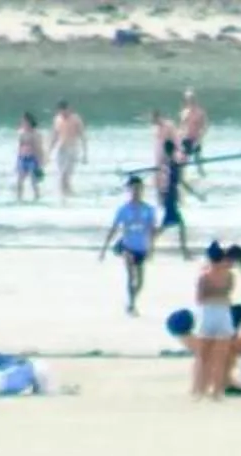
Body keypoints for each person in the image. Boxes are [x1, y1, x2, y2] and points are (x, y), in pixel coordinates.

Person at [100, 177, 158, 314]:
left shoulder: (148, 209)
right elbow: (114, 228)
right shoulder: (124, 209)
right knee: (131, 277)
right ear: (129, 190)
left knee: (141, 282)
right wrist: (104, 249)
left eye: (139, 189)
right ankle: (132, 305)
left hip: (141, 248)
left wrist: (151, 248)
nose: (136, 192)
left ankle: (131, 301)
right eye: (133, 189)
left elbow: (151, 230)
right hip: (128, 246)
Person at [190, 241, 237, 399]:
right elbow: (229, 293)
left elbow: (199, 299)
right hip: (223, 312)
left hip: (208, 313)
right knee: (220, 357)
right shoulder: (229, 275)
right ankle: (216, 391)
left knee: (202, 356)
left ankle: (199, 389)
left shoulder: (204, 276)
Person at [52, 101, 87, 198]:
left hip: (72, 149)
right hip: (61, 149)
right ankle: (66, 195)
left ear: (68, 109)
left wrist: (85, 154)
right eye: (61, 111)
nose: (63, 113)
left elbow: (82, 136)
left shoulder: (76, 119)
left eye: (64, 110)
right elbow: (55, 135)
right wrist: (49, 151)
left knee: (65, 175)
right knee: (61, 175)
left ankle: (66, 195)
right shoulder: (57, 119)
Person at [13, 113, 46, 203]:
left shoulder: (36, 134)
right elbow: (20, 146)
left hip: (33, 159)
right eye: (22, 121)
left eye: (25, 121)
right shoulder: (21, 133)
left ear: (29, 122)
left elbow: (39, 148)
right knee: (19, 180)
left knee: (33, 181)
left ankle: (37, 198)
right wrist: (18, 159)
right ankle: (19, 198)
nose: (23, 123)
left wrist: (40, 162)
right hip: (23, 158)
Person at [178, 89, 210, 177]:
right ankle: (182, 179)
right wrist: (178, 137)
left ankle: (204, 178)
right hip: (186, 139)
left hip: (196, 139)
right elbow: (181, 127)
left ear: (195, 99)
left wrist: (200, 138)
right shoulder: (184, 112)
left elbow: (205, 126)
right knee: (183, 162)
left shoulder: (200, 112)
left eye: (192, 99)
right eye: (188, 99)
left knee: (198, 162)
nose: (190, 101)